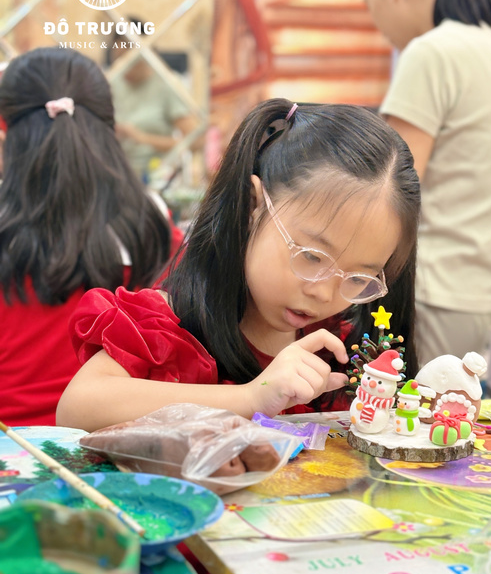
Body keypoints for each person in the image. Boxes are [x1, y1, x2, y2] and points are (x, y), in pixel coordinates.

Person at [57, 99, 421, 432]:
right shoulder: (170, 326)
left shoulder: (344, 346)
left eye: (358, 278)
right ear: (252, 206)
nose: (324, 293)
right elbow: (78, 407)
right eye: (311, 257)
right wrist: (250, 398)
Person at [358, 0, 491, 366]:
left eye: (369, 2)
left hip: (427, 292)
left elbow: (388, 190)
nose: (378, 25)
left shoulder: (432, 51)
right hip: (482, 294)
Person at [0, 47, 173, 427]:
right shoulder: (154, 222)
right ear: (109, 122)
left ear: (7, 129)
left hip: (12, 448)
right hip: (118, 448)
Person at [108, 20, 194, 181]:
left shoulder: (167, 84)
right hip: (115, 172)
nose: (123, 67)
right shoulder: (111, 81)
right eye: (117, 59)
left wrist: (141, 138)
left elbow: (194, 141)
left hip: (155, 174)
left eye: (128, 59)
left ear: (146, 55)